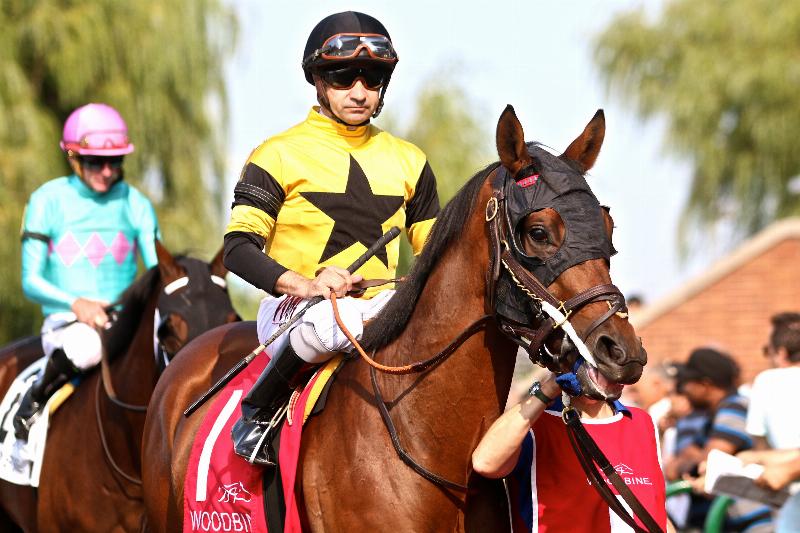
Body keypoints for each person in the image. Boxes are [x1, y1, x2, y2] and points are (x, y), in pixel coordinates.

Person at [223, 11, 439, 465]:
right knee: (329, 321)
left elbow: (437, 252)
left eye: (373, 78)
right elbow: (238, 250)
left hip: (379, 308)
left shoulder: (410, 160)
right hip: (293, 311)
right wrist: (306, 285)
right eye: (343, 77)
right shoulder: (277, 153)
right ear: (318, 80)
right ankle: (258, 413)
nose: (359, 91)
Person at [13, 103, 160, 439]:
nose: (107, 171)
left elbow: (157, 271)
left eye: (116, 161)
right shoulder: (46, 200)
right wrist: (78, 304)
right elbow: (30, 281)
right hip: (67, 323)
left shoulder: (136, 203)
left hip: (124, 321)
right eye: (96, 161)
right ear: (72, 157)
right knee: (87, 345)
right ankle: (33, 402)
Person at [472, 373, 670, 532]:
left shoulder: (642, 422)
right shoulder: (537, 425)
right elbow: (485, 463)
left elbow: (654, 508)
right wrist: (547, 389)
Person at [663, 348, 772, 531]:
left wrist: (695, 457)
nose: (685, 391)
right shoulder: (709, 419)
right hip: (724, 522)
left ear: (705, 384)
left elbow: (710, 461)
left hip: (751, 522)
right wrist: (695, 459)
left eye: (687, 384)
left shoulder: (735, 406)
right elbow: (673, 470)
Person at [742, 312, 800, 531]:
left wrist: (760, 458)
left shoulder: (767, 381)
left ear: (781, 353)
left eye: (769, 351)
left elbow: (760, 444)